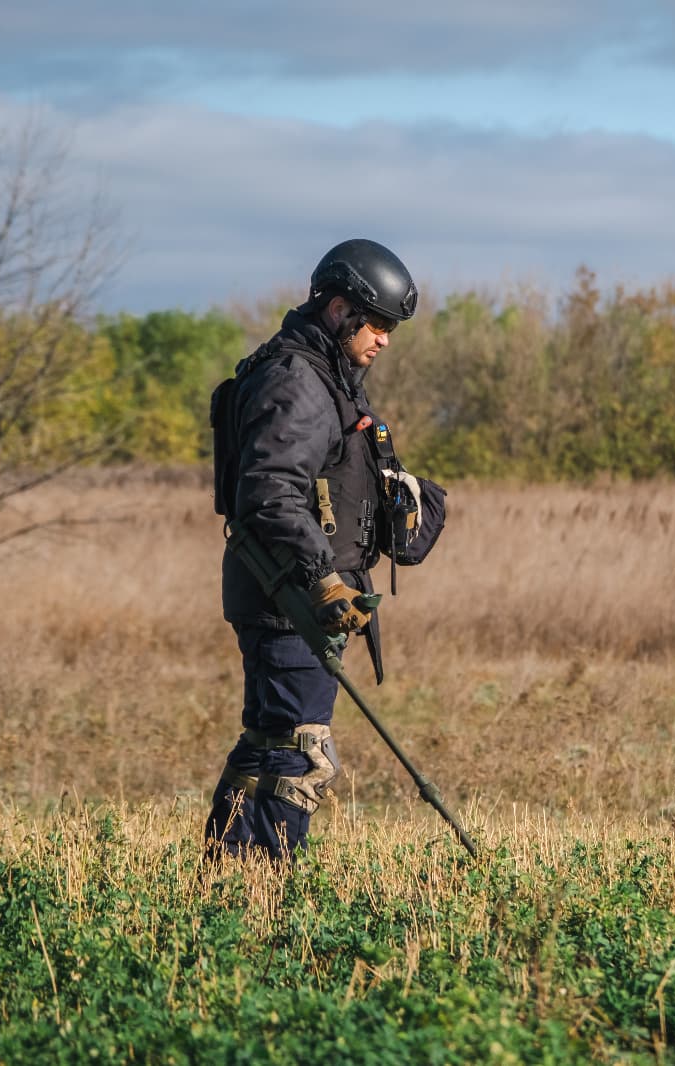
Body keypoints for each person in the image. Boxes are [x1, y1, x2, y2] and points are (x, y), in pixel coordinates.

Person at [204, 238, 427, 860]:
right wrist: (322, 578)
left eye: (392, 327)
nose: (384, 338)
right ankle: (256, 888)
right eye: (377, 322)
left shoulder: (326, 375)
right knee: (296, 751)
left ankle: (229, 882)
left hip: (299, 596)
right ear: (337, 309)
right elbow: (270, 491)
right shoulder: (299, 379)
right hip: (290, 598)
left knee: (271, 739)